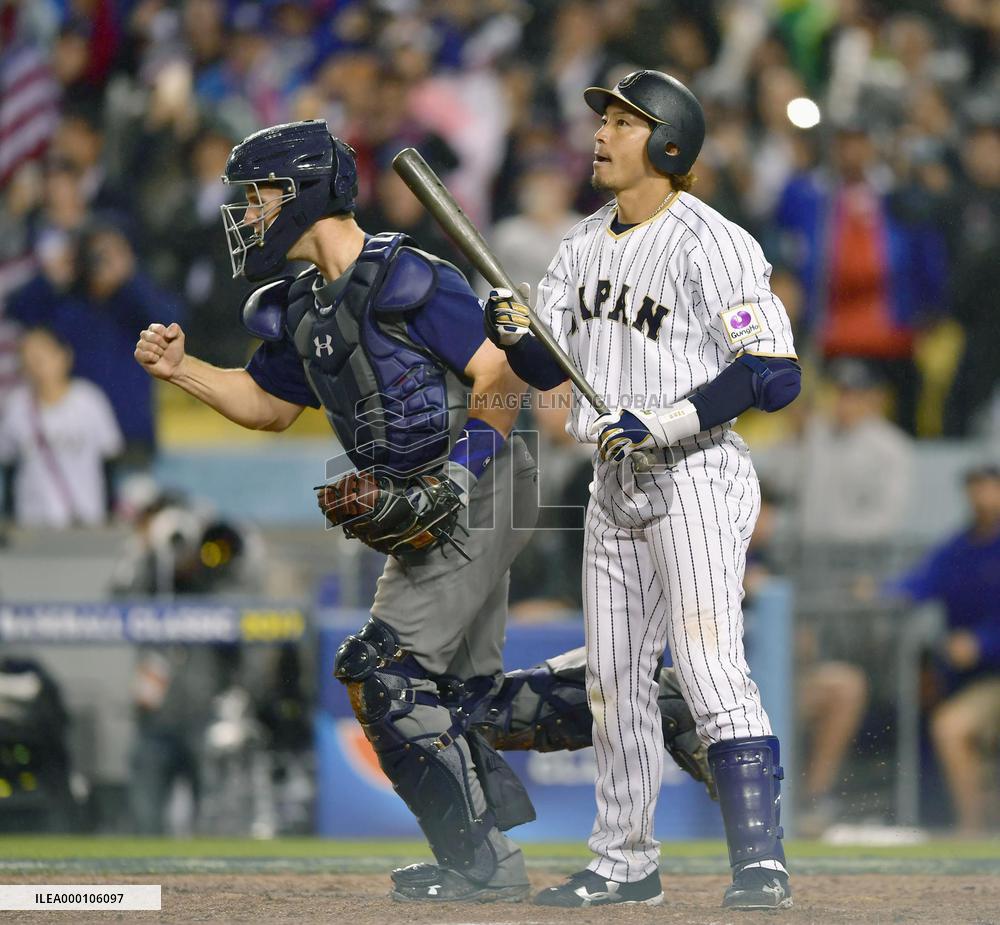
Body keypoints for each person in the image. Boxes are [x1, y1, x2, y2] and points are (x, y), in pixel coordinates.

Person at [134, 120, 711, 903]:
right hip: (428, 499)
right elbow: (268, 404)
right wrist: (182, 369)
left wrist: (456, 479)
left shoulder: (407, 274)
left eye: (262, 195)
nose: (251, 214)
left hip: (486, 475)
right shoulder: (301, 306)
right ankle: (652, 695)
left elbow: (500, 377)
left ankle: (481, 865)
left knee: (383, 670)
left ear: (304, 195)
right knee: (460, 700)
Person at [485, 71, 801, 909]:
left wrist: (664, 420)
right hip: (614, 478)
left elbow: (773, 374)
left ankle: (760, 864)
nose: (601, 133)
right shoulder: (584, 241)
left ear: (669, 144)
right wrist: (515, 337)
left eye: (624, 121)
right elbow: (549, 366)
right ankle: (624, 861)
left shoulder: (714, 241)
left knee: (705, 663)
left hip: (697, 472)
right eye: (604, 119)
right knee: (613, 679)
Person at [886, 465, 1000, 835]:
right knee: (950, 727)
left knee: (952, 727)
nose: (981, 498)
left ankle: (974, 826)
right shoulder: (961, 547)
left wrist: (982, 641)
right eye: (975, 489)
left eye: (989, 489)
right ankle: (973, 829)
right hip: (977, 680)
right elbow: (921, 582)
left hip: (991, 670)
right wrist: (880, 590)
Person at [0, 325, 122, 526]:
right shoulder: (17, 406)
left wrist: (109, 515)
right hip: (32, 522)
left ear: (64, 356)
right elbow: (9, 466)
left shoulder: (89, 401)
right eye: (28, 358)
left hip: (85, 519)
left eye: (41, 357)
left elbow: (108, 461)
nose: (35, 366)